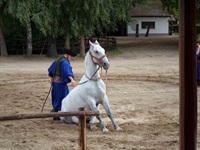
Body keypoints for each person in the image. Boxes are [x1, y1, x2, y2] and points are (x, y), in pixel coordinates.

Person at [48, 48, 77, 119]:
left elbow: (51, 70)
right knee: (64, 98)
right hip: (61, 84)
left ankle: (55, 112)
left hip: (55, 83)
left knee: (57, 97)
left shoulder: (57, 60)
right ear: (67, 55)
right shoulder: (65, 62)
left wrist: (51, 79)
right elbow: (67, 72)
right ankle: (59, 113)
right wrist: (72, 80)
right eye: (70, 56)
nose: (70, 58)